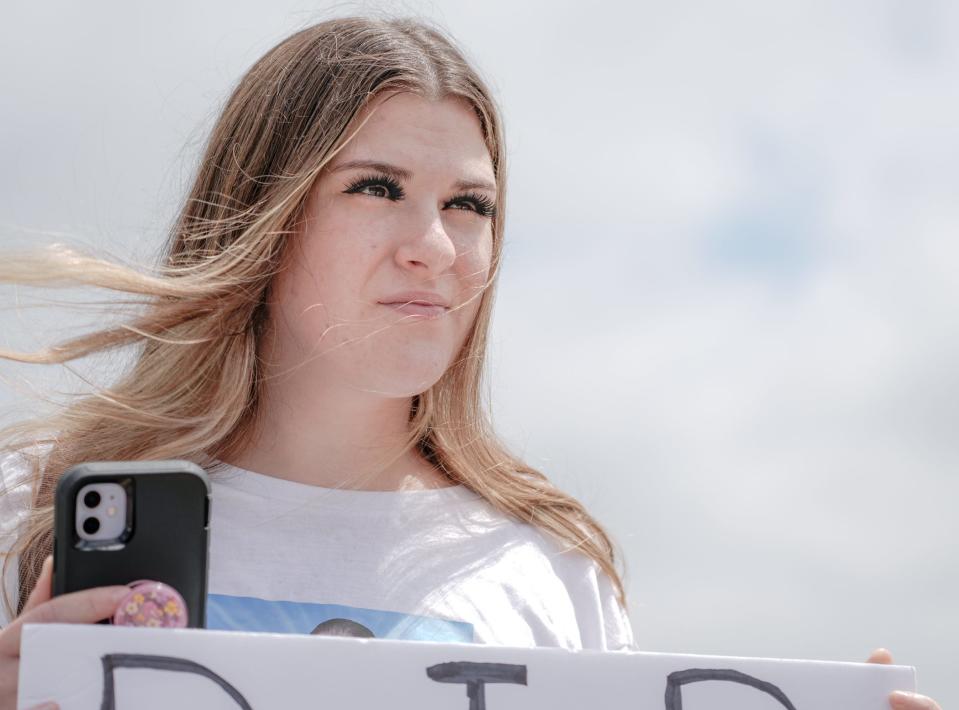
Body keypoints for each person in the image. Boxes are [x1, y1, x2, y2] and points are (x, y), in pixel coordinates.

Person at [0, 15, 941, 710]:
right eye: (378, 188)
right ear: (265, 214)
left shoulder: (549, 570)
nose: (435, 246)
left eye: (471, 205)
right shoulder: (31, 513)